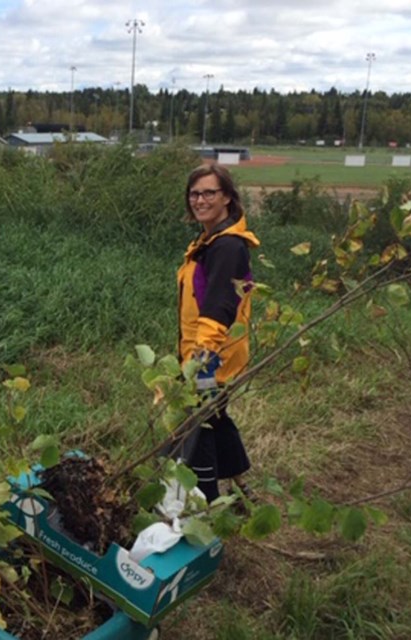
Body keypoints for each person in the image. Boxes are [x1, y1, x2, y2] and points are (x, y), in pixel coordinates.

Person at [168, 163, 260, 503]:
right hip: (208, 353)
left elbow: (219, 306)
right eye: (194, 193)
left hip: (209, 358)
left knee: (197, 429)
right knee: (216, 416)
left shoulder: (227, 247)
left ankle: (202, 505)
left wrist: (199, 364)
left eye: (209, 192)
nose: (200, 200)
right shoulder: (210, 241)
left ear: (227, 198)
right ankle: (240, 484)